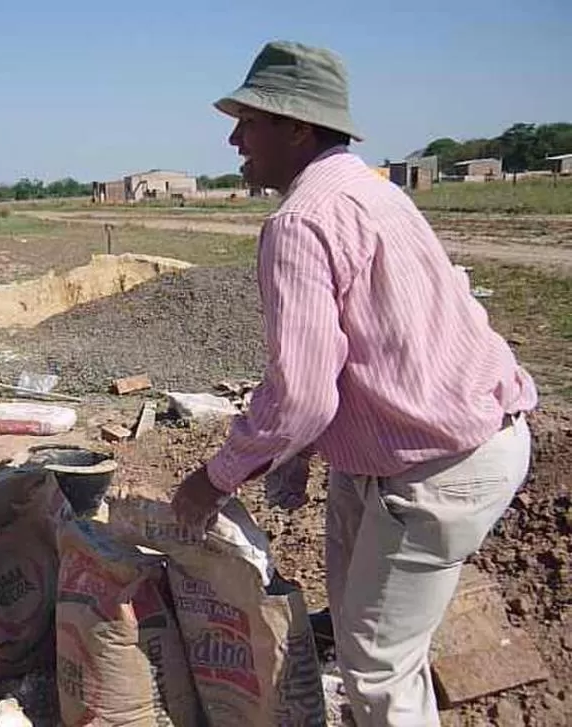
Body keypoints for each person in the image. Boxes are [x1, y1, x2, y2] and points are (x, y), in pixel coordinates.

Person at [170, 41, 537, 726]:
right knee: (360, 623)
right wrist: (298, 454)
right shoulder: (371, 190)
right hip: (413, 442)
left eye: (248, 121)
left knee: (376, 667)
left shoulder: (300, 220)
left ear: (296, 128)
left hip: (436, 461)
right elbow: (351, 351)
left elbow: (304, 395)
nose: (234, 138)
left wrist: (213, 479)